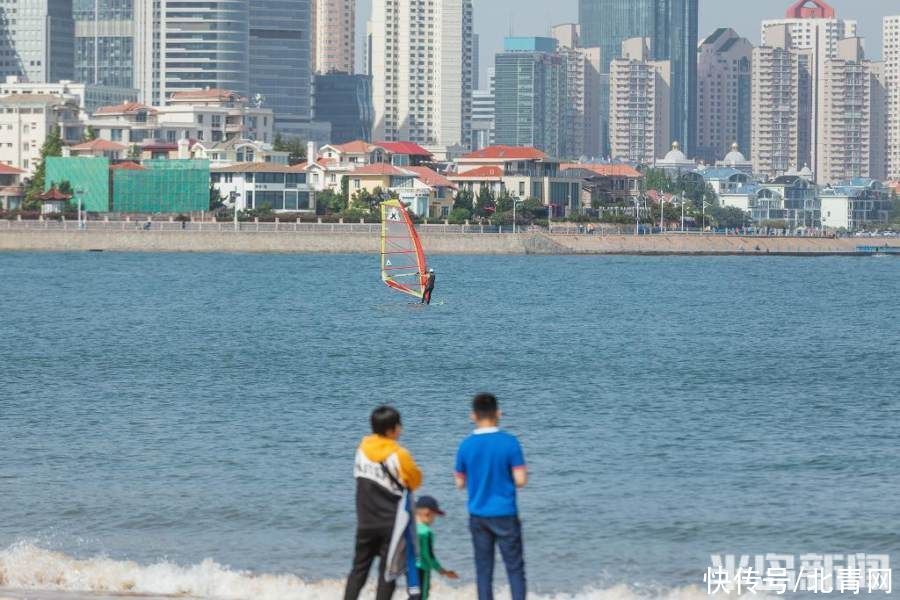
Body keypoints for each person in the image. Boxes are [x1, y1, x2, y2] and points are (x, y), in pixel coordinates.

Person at [345, 406, 423, 600]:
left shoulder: (361, 449)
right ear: (391, 430)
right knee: (387, 574)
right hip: (391, 524)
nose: (401, 430)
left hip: (365, 522)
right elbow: (415, 481)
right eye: (399, 426)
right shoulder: (399, 454)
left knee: (358, 570)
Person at [455, 393, 528, 600]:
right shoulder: (510, 443)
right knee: (514, 569)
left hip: (478, 514)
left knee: (484, 571)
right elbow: (521, 479)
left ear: (473, 416)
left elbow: (459, 483)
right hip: (505, 512)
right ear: (498, 413)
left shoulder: (465, 445)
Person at [415, 495, 459, 599]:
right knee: (422, 596)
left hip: (409, 568)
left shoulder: (411, 529)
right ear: (428, 513)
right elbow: (428, 555)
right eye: (434, 516)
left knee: (413, 595)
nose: (434, 520)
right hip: (422, 569)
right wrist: (442, 571)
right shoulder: (426, 532)